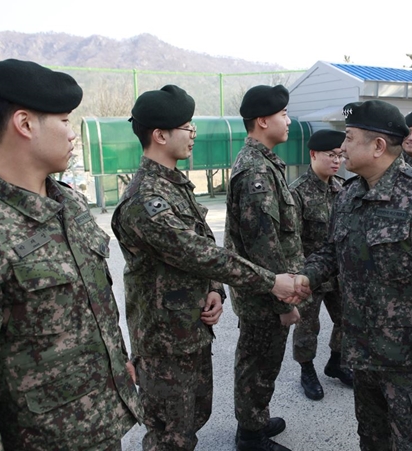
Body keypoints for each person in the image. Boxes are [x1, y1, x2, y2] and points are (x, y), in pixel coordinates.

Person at [0, 59, 141, 450]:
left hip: (101, 427)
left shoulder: (68, 203)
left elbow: (91, 302)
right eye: (65, 121)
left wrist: (117, 363)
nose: (72, 134)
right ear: (25, 123)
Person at [111, 85, 304, 450]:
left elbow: (205, 246)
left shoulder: (175, 186)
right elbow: (198, 252)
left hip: (191, 330)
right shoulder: (145, 199)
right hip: (164, 344)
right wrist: (271, 283)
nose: (193, 135)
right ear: (160, 134)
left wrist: (214, 289)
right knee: (170, 436)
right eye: (188, 128)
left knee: (192, 422)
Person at [296, 100, 412, 450]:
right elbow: (333, 251)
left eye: (349, 139)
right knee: (373, 438)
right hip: (364, 353)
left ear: (378, 146)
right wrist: (304, 278)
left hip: (409, 359)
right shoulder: (350, 194)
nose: (342, 148)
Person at [224, 85, 305, 451]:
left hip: (266, 292)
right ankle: (251, 435)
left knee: (262, 362)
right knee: (257, 364)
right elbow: (264, 248)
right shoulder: (256, 172)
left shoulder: (264, 163)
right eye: (283, 114)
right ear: (262, 121)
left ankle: (254, 419)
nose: (288, 121)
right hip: (265, 296)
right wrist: (284, 304)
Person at [289, 129, 352, 401]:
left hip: (338, 272)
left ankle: (336, 362)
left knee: (347, 319)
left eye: (340, 155)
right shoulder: (297, 192)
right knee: (307, 326)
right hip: (309, 274)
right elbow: (291, 240)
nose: (337, 161)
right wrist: (298, 277)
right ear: (313, 154)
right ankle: (307, 369)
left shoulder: (342, 188)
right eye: (331, 155)